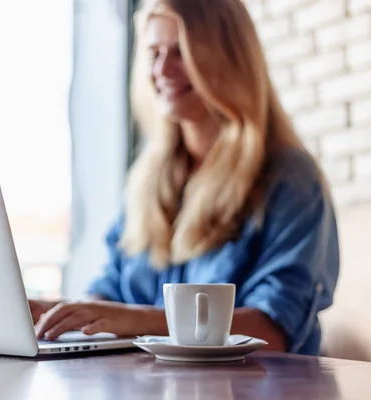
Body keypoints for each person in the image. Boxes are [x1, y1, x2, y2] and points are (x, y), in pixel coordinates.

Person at [32, 0, 339, 355]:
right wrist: (64, 315)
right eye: (154, 52)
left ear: (230, 58)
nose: (163, 68)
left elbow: (274, 329)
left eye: (181, 52)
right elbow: (112, 289)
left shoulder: (289, 179)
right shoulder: (147, 179)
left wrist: (136, 319)